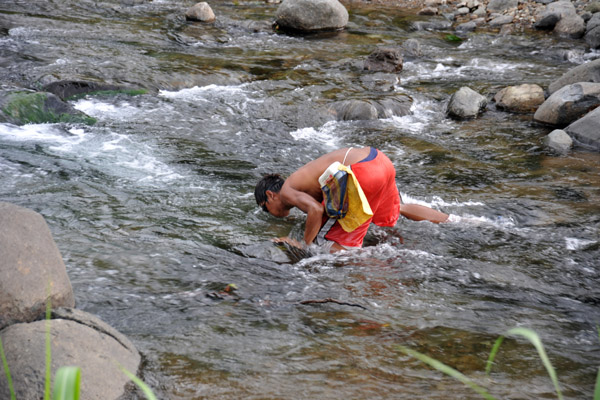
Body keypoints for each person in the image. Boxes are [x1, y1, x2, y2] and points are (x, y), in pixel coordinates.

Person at [254, 147, 448, 252]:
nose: (270, 213)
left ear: (271, 195)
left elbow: (316, 210)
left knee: (323, 244)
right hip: (379, 159)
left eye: (265, 208)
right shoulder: (300, 181)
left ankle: (371, 261)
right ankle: (459, 221)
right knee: (399, 208)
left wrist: (305, 244)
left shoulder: (287, 190)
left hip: (361, 173)